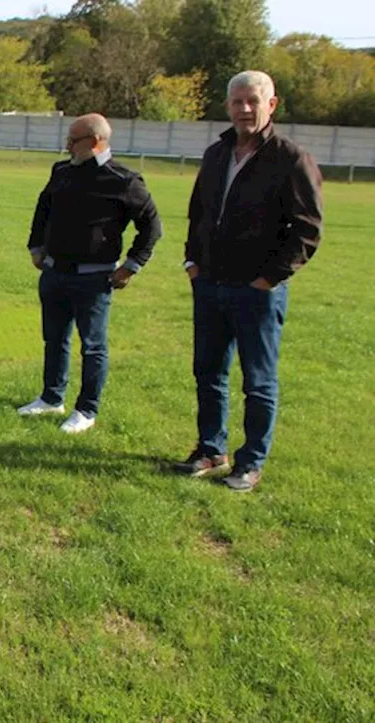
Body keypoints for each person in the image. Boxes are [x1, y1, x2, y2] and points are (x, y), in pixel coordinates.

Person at [173, 70, 323, 491]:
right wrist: (192, 264)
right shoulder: (216, 154)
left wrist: (268, 279)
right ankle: (210, 449)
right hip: (211, 285)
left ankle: (250, 462)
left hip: (257, 293)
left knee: (258, 381)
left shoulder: (290, 159)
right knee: (209, 373)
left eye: (253, 100)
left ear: (272, 104)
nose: (244, 109)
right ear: (227, 106)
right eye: (237, 101)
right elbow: (198, 214)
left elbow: (307, 230)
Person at [19, 113, 162, 433]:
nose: (67, 145)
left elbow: (152, 225)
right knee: (54, 339)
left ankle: (86, 410)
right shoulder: (61, 171)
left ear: (97, 142)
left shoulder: (124, 181)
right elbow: (43, 209)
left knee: (92, 346)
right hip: (54, 273)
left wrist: (131, 266)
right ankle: (51, 398)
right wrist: (36, 247)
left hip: (94, 280)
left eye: (74, 140)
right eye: (68, 138)